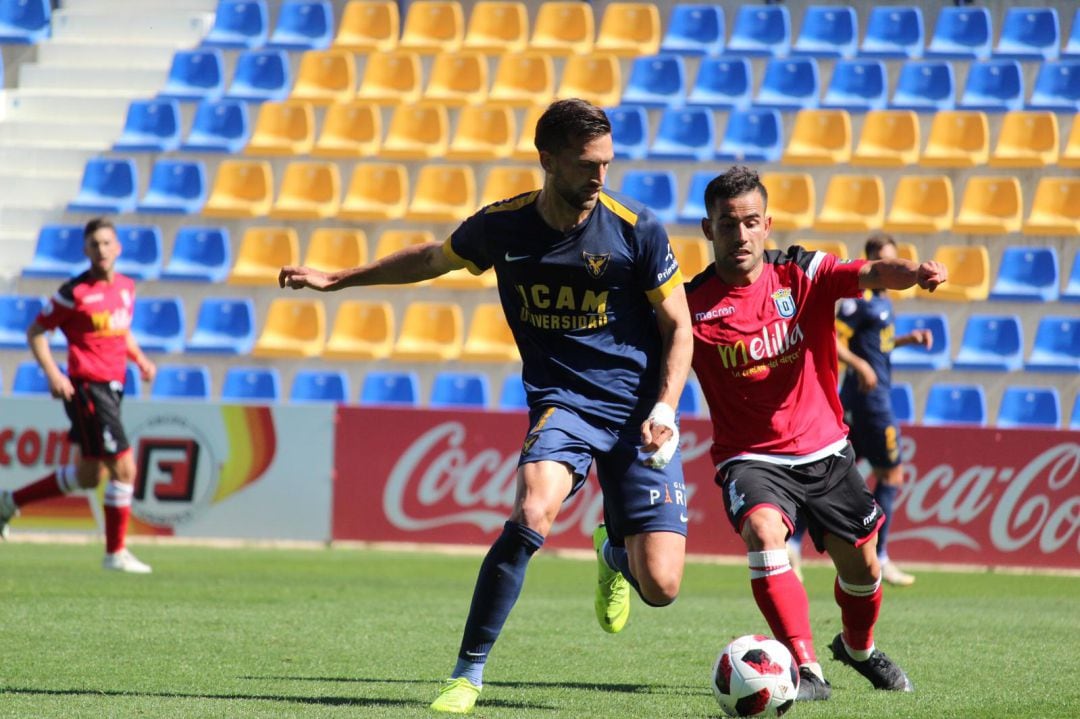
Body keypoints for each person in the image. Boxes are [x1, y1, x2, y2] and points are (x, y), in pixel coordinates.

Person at [279, 98, 693, 714]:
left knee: (661, 586)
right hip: (565, 404)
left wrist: (665, 406)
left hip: (639, 415)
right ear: (547, 160)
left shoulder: (637, 227)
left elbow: (679, 325)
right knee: (532, 510)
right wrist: (339, 279)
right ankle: (467, 673)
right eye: (586, 165)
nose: (600, 176)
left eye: (606, 163)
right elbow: (429, 260)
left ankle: (612, 548)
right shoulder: (503, 226)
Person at [685, 166, 947, 700]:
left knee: (865, 569)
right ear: (708, 230)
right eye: (728, 224)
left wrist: (914, 272)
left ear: (768, 225)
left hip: (825, 451)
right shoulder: (689, 305)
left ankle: (857, 649)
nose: (741, 235)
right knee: (763, 533)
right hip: (750, 457)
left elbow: (871, 272)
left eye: (751, 222)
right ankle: (806, 671)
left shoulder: (801, 272)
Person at [0, 217, 156, 573]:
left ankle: (8, 503)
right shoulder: (75, 293)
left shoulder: (127, 288)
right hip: (88, 387)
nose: (101, 250)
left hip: (114, 387)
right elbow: (36, 331)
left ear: (118, 248)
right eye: (93, 245)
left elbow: (121, 332)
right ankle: (115, 553)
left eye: (106, 243)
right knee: (125, 467)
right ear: (85, 251)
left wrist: (141, 359)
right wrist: (54, 373)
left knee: (89, 476)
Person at [790, 233, 931, 587]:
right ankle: (881, 557)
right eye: (886, 261)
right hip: (871, 401)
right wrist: (862, 366)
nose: (894, 268)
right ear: (872, 260)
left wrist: (905, 340)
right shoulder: (860, 300)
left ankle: (794, 543)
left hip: (866, 399)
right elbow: (832, 338)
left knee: (832, 472)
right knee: (890, 475)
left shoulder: (883, 302)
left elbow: (876, 344)